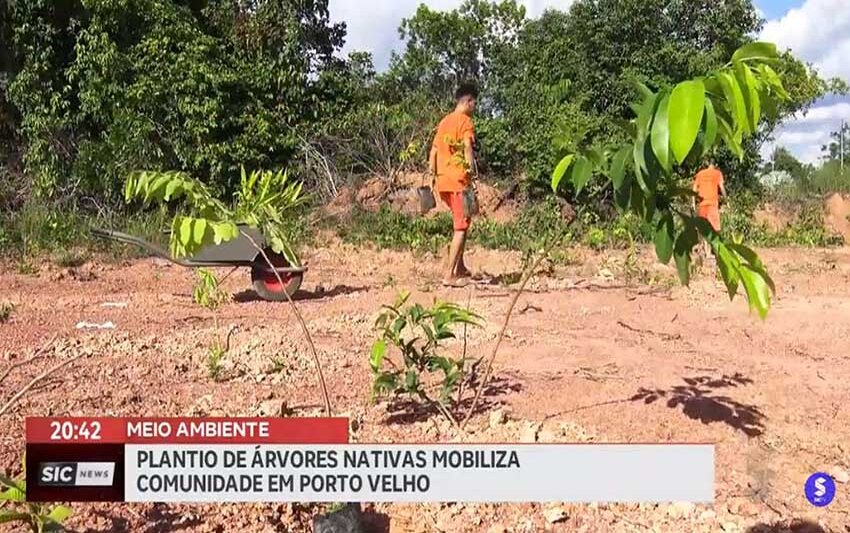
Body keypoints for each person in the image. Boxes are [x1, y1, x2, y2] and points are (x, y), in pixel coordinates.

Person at [429, 82, 478, 286]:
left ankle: (460, 267)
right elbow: (467, 146)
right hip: (458, 181)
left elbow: (433, 152)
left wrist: (433, 175)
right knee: (460, 226)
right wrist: (470, 170)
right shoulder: (465, 122)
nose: (475, 107)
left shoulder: (444, 121)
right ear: (467, 101)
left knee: (463, 221)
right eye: (474, 103)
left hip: (443, 182)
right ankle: (449, 275)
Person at [692, 160, 727, 257]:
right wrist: (726, 200)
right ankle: (712, 250)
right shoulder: (717, 174)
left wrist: (693, 203)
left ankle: (706, 252)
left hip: (702, 204)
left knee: (704, 228)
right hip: (712, 204)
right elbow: (721, 187)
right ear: (714, 165)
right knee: (715, 228)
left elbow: (694, 189)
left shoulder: (700, 174)